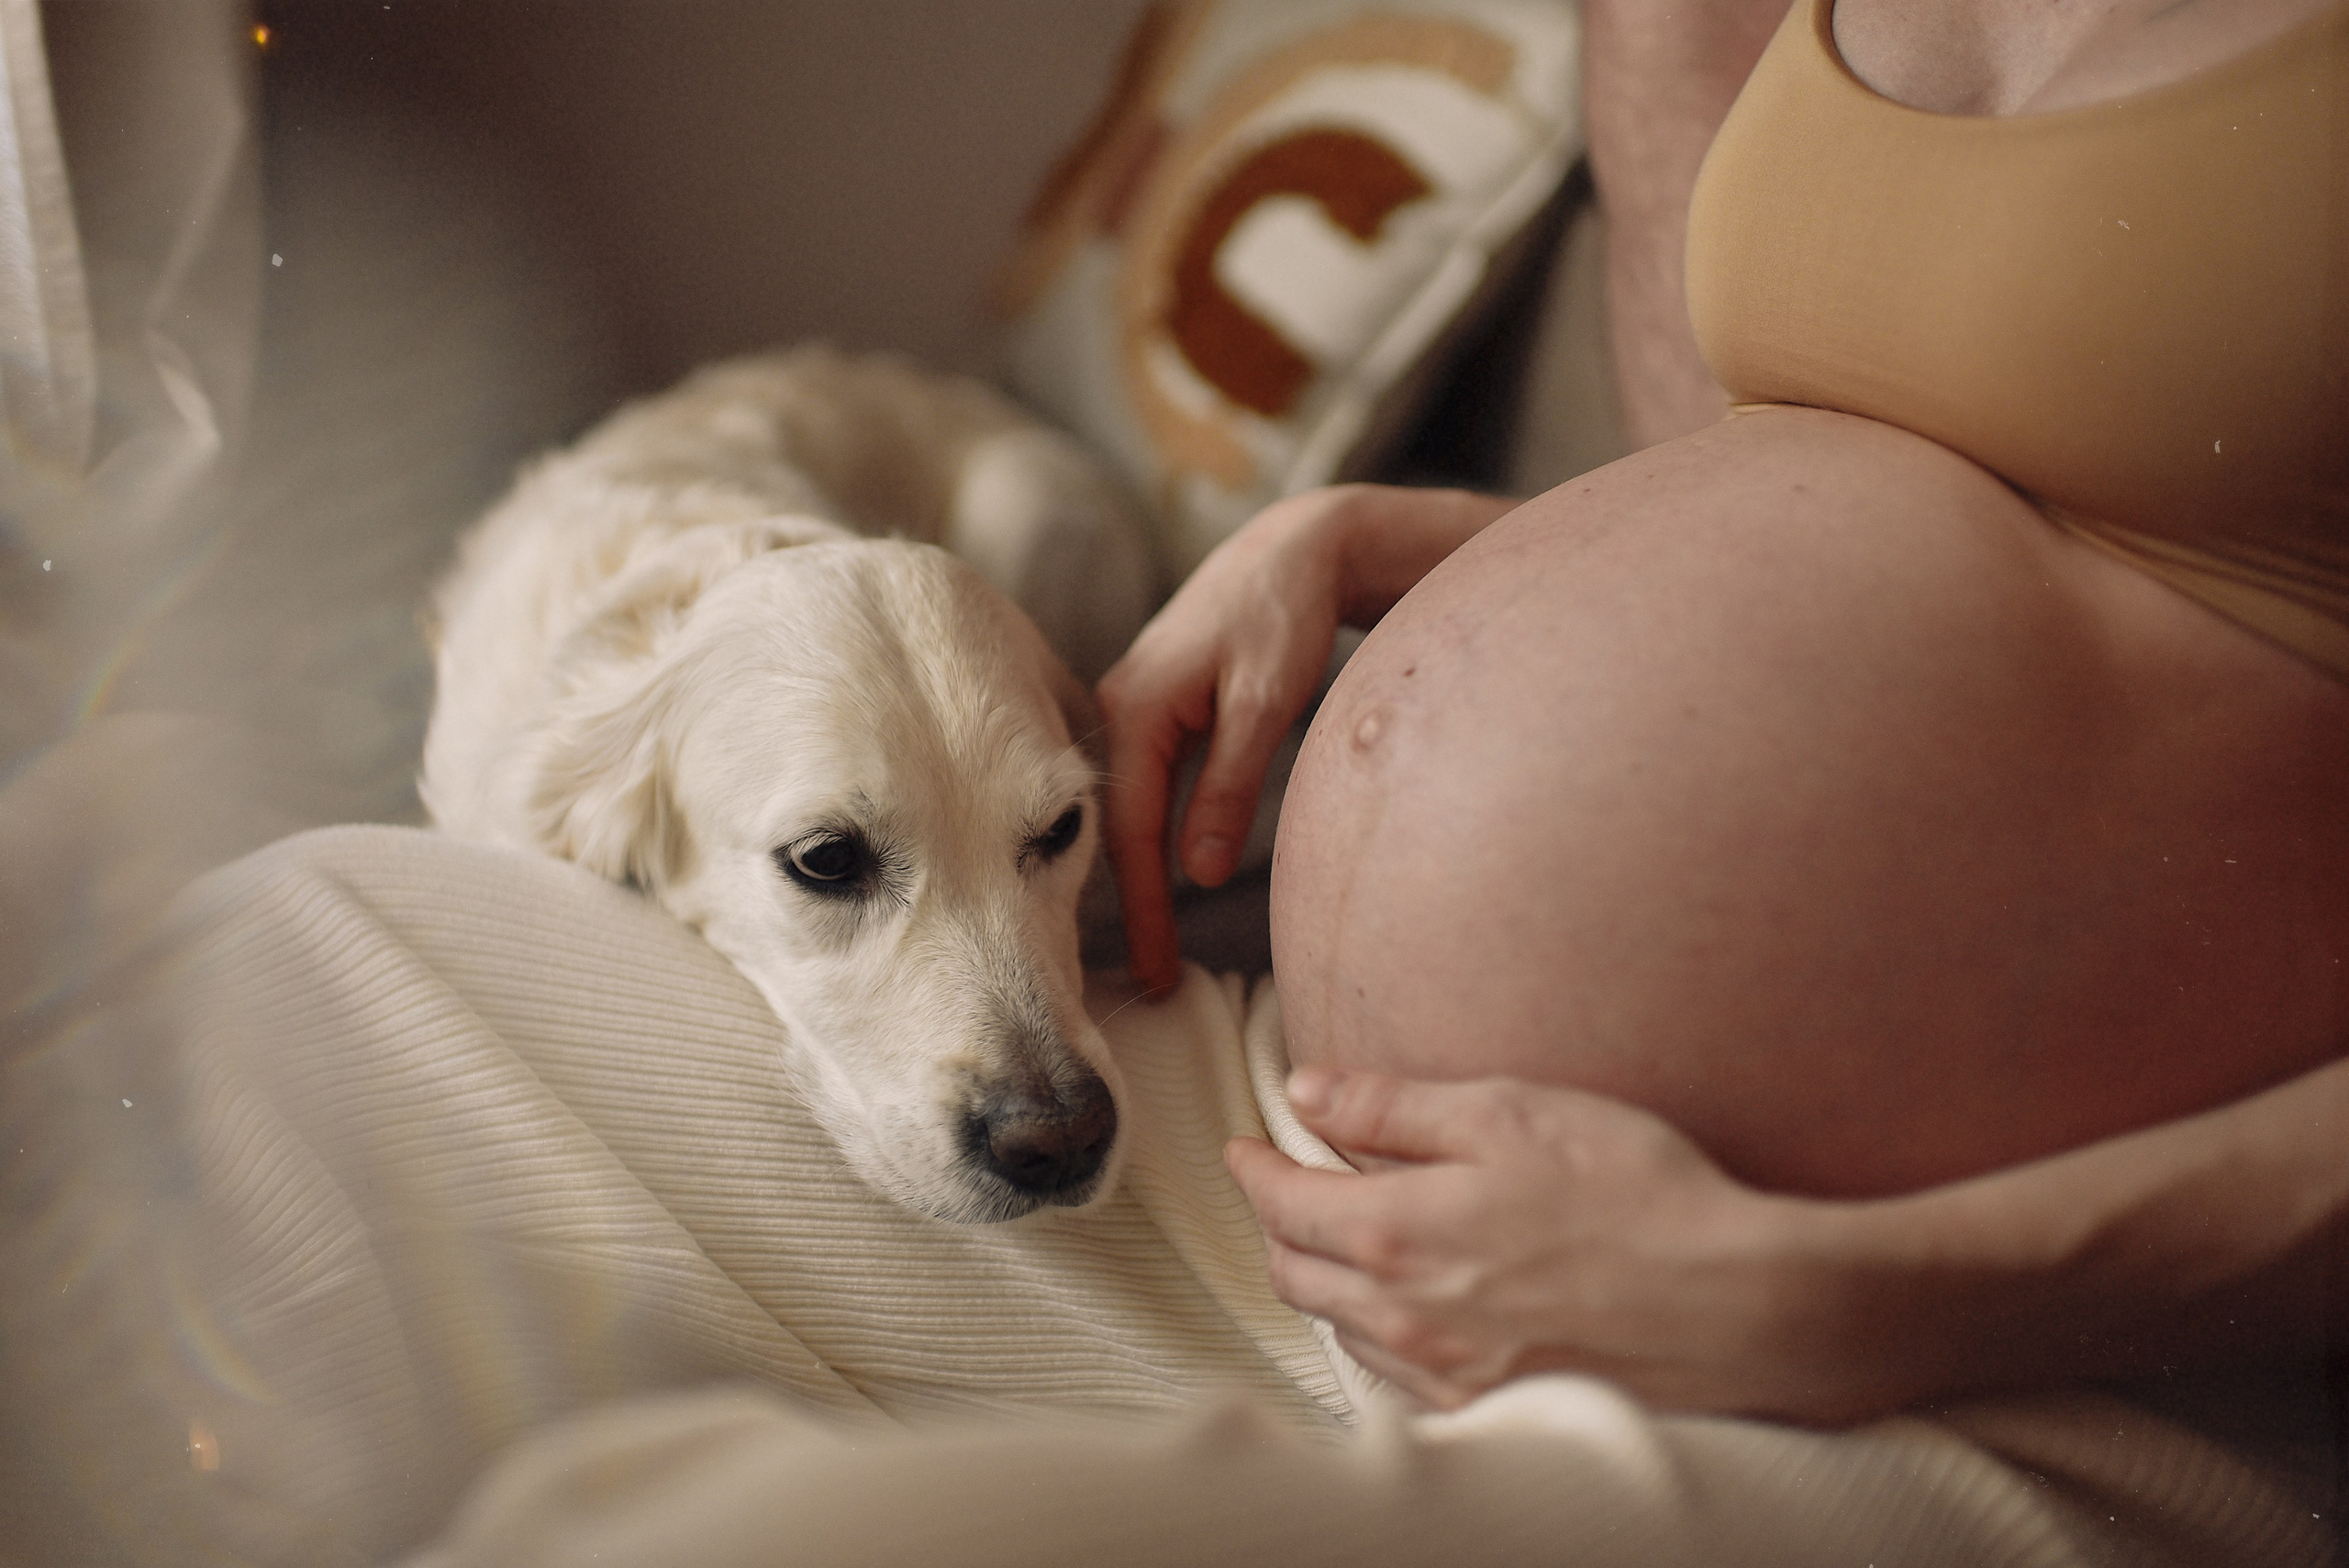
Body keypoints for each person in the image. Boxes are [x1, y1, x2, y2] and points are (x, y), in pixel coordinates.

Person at [1097, 0, 2349, 1423]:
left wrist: (1845, 1297)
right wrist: (1468, 547)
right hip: (1328, 1199)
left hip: (1934, 1362)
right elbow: (1834, 529)